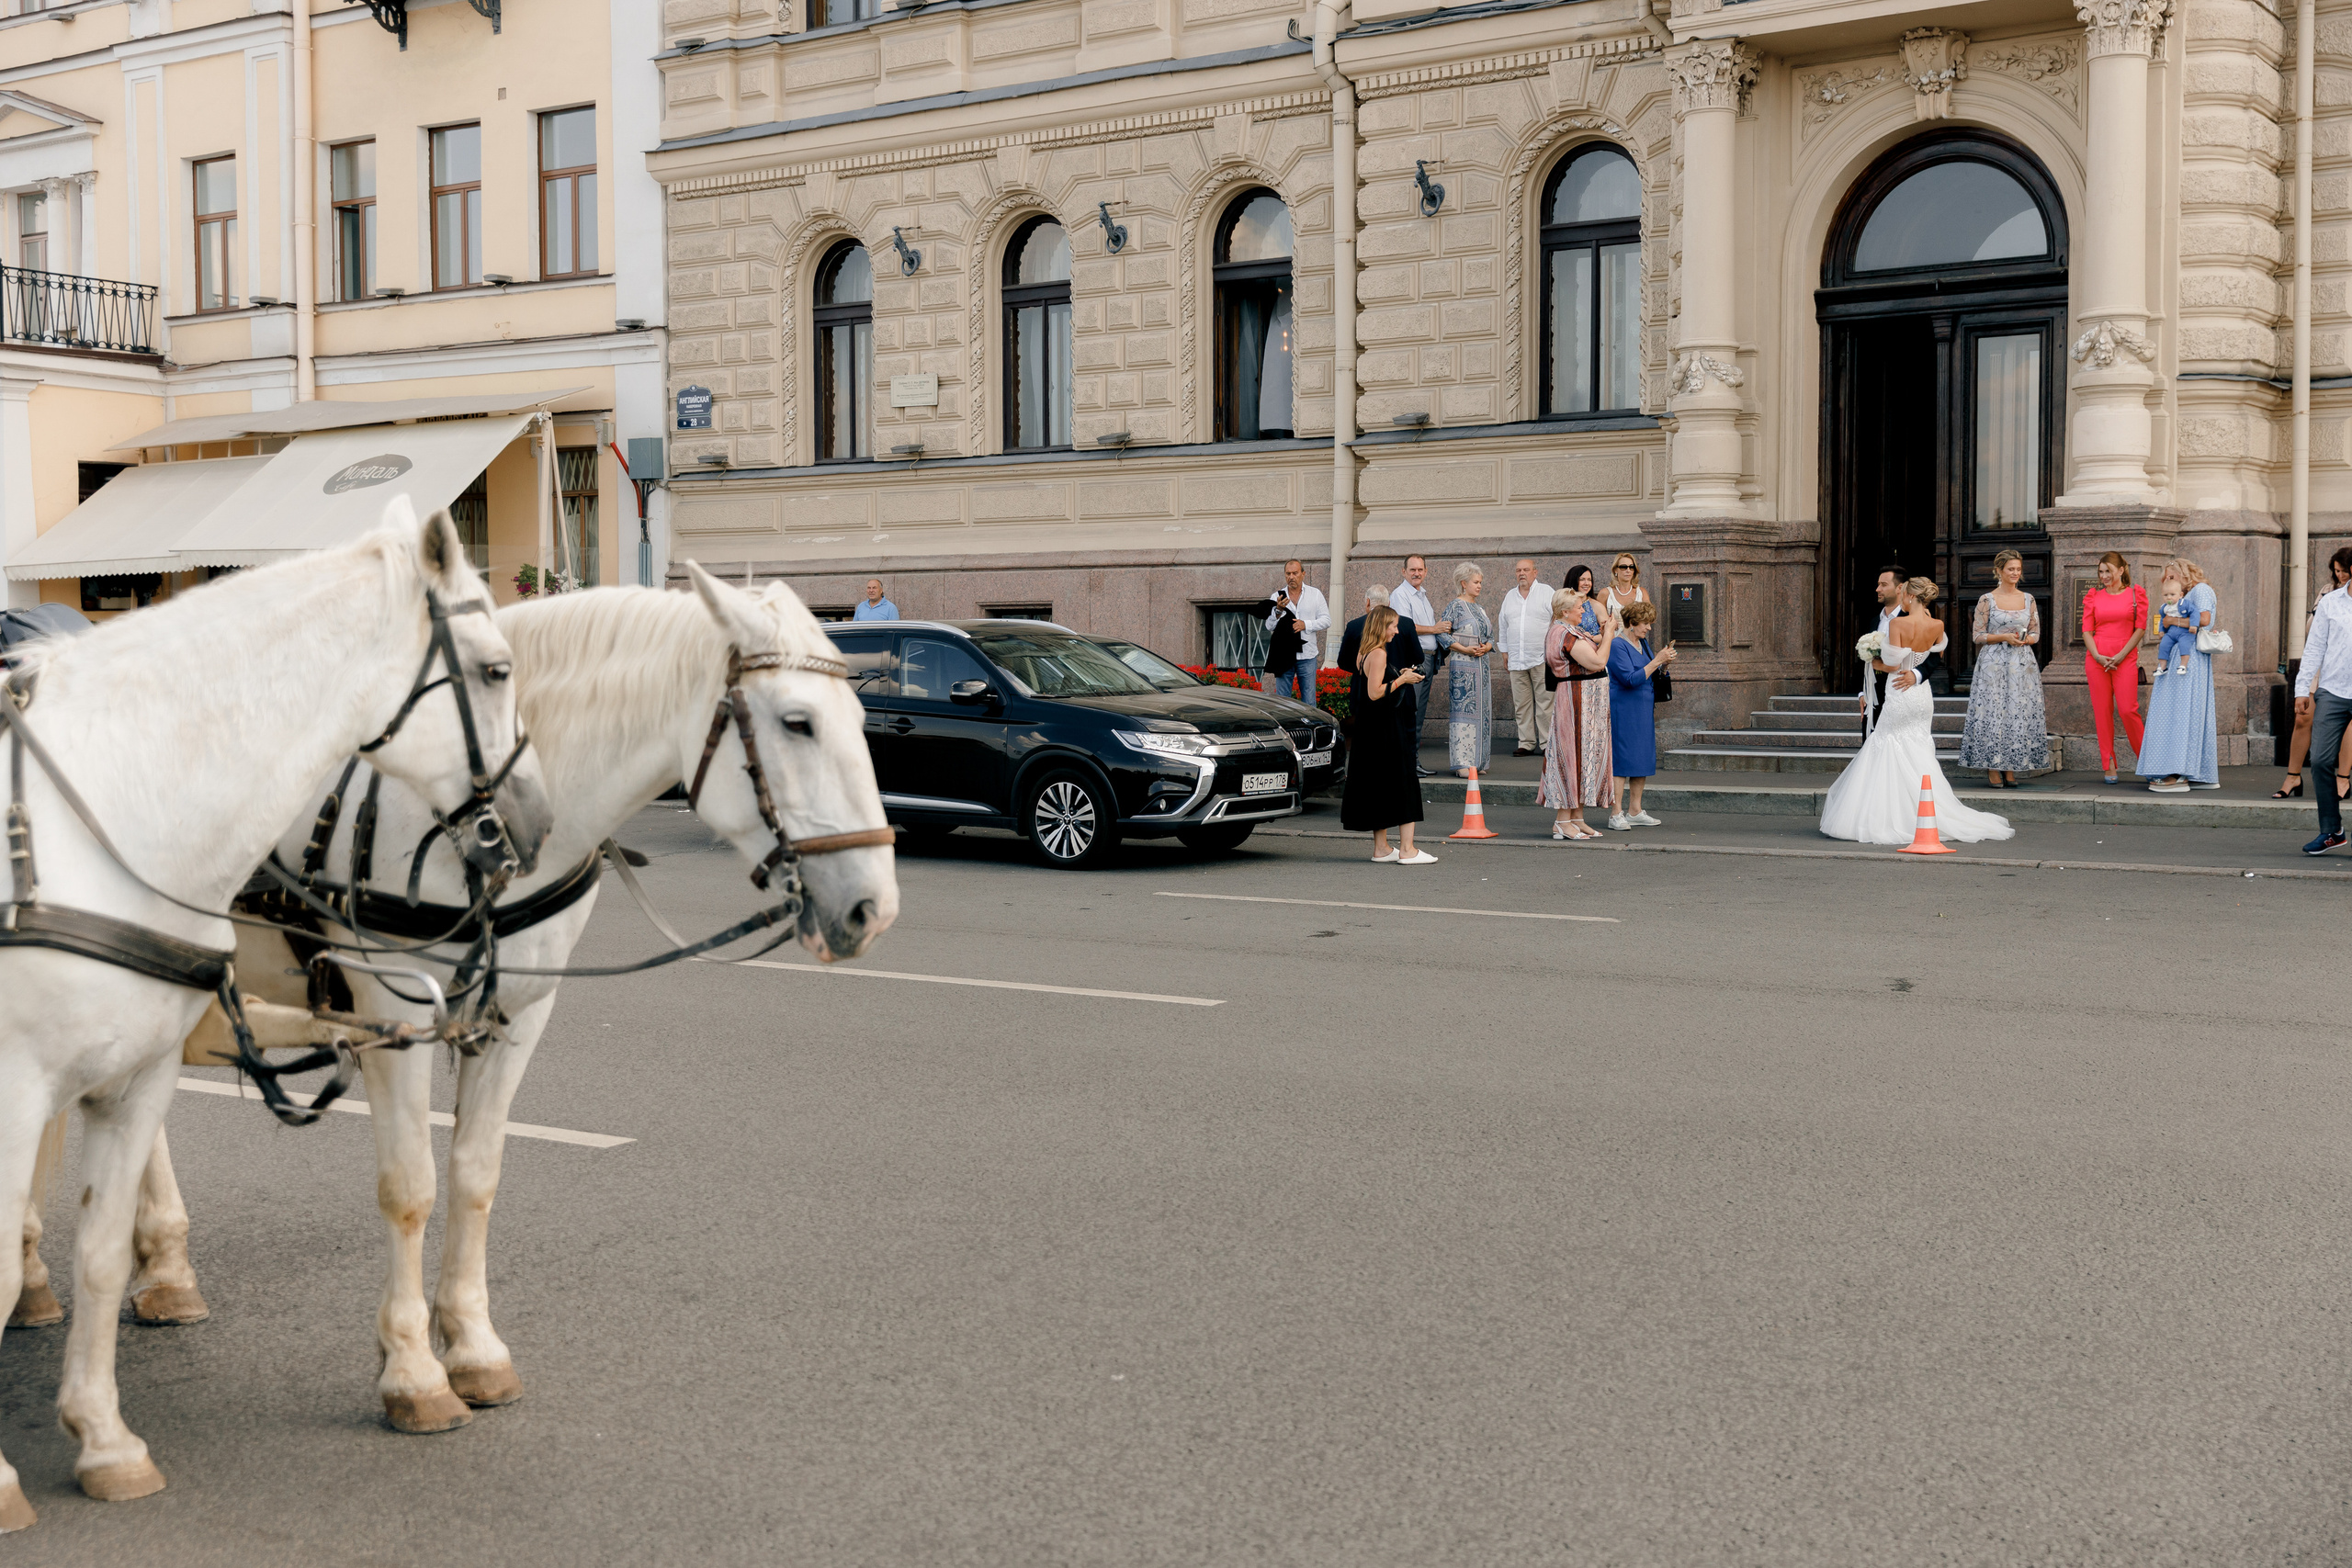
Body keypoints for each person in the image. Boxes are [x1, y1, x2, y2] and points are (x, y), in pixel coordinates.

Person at [1821, 578, 2013, 844]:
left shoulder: (1899, 624)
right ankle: (1924, 811)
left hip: (1899, 690)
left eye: (1904, 593)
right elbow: (1935, 655)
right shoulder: (1937, 625)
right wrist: (1915, 671)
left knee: (1887, 743)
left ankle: (1891, 815)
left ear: (1910, 596)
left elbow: (1891, 664)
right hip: (1921, 696)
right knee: (1918, 747)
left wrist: (1870, 659)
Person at [1341, 605, 1433, 863]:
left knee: (1378, 784)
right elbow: (1374, 692)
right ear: (1381, 626)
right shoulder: (1379, 652)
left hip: (1370, 729)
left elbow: (1374, 679)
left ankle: (1381, 848)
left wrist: (1399, 673)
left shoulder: (1364, 652)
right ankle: (1408, 850)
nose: (1396, 629)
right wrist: (1402, 681)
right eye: (1392, 625)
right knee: (1404, 780)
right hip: (1385, 727)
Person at [1958, 549, 2049, 788]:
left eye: (2018, 569)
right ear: (1999, 571)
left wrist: (2024, 639)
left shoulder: (2028, 598)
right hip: (1993, 663)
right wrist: (2004, 637)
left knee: (2016, 713)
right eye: (2011, 569)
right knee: (1994, 711)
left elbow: (2036, 633)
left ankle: (2011, 767)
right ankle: (1992, 766)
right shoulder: (1987, 600)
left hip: (2021, 664)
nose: (2015, 573)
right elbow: (1977, 635)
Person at [2136, 557, 2218, 794]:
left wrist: (2172, 620)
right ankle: (2198, 772)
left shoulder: (2200, 589)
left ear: (2185, 574)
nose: (2167, 580)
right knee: (2185, 711)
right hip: (2184, 655)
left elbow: (2204, 619)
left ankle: (2178, 773)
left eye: (2171, 575)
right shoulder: (2186, 595)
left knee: (2181, 711)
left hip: (2189, 657)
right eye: (2166, 577)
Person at [2275, 547, 2352, 798]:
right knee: (2302, 718)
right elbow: (2311, 631)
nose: (2339, 575)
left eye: (2343, 570)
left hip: (2341, 668)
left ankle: (2343, 778)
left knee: (2345, 725)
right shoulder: (2328, 594)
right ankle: (2293, 777)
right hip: (2321, 664)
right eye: (2336, 570)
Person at [1538, 584, 1612, 839]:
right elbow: (1598, 662)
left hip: (1585, 702)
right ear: (1565, 611)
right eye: (1579, 607)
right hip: (1575, 702)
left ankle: (1576, 817)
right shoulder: (1563, 633)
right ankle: (1562, 821)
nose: (1584, 610)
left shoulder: (1571, 630)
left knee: (1582, 756)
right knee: (1571, 756)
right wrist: (1610, 633)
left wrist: (1602, 635)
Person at [2298, 547, 2352, 852]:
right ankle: (2332, 830)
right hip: (2332, 689)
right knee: (2319, 759)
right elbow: (2314, 648)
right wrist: (2302, 690)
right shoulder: (2331, 603)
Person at [2081, 551, 2148, 784]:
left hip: (2125, 657)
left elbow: (2140, 629)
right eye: (2101, 572)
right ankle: (2108, 762)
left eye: (2108, 571)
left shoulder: (2135, 594)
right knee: (2102, 711)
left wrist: (2121, 654)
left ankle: (2147, 761)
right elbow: (2087, 631)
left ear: (2121, 570)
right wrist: (2097, 656)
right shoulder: (2093, 596)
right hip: (2097, 659)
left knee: (2128, 709)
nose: (2104, 576)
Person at [1606, 600, 1672, 829]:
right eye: (1646, 623)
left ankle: (1635, 810)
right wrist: (1657, 661)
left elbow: (1649, 674)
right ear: (1632, 623)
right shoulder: (1617, 645)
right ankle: (1616, 813)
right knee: (1622, 759)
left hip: (1643, 708)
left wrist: (1663, 666)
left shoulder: (1642, 643)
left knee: (1641, 757)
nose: (1649, 628)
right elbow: (1630, 679)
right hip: (1624, 709)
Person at [1389, 556, 1450, 773]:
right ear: (1403, 571)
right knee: (1412, 713)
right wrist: (1435, 629)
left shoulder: (1421, 595)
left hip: (1427, 657)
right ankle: (1409, 762)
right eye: (1412, 569)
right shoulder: (1400, 595)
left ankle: (1410, 760)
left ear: (1426, 571)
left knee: (1418, 711)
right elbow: (1404, 627)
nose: (1416, 573)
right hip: (1415, 660)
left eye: (1420, 569)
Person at [1438, 561, 1494, 778]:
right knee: (1463, 713)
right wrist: (1464, 648)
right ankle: (1462, 763)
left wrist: (1486, 647)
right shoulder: (1454, 606)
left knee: (1482, 713)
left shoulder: (1480, 609)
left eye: (1480, 582)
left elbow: (1490, 637)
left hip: (1482, 667)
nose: (1479, 586)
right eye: (1476, 582)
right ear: (1464, 583)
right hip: (1463, 669)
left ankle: (1478, 761)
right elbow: (1442, 633)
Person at [1496, 558, 1555, 758]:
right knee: (1521, 704)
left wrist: (1553, 651)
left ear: (1535, 572)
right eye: (1519, 570)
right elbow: (1503, 625)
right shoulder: (1510, 596)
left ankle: (1547, 744)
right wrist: (1504, 651)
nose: (1522, 573)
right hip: (1516, 658)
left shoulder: (1547, 592)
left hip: (1541, 657)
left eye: (1526, 570)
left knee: (1546, 704)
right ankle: (1526, 742)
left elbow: (1556, 622)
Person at [1261, 558, 1329, 705]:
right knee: (1282, 700)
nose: (1291, 577)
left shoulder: (1315, 594)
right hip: (1284, 655)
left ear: (1303, 574)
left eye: (1295, 573)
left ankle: (1311, 727)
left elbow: (1326, 620)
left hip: (1307, 655)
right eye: (1288, 573)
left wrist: (1306, 624)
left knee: (1309, 700)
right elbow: (1269, 626)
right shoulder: (1277, 596)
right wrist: (1278, 610)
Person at [2153, 564, 2199, 680]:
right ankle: (2162, 666)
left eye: (2172, 595)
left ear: (2180, 595)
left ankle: (2183, 665)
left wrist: (2193, 625)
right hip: (2171, 632)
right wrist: (2161, 630)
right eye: (2166, 595)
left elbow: (2195, 613)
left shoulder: (2184, 603)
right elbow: (2162, 619)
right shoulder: (2164, 608)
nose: (2169, 598)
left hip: (2185, 632)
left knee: (2185, 645)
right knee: (2163, 645)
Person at [1602, 553, 1647, 618]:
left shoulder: (1642, 593)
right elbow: (1598, 620)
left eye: (1631, 567)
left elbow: (1649, 618)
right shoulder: (1605, 593)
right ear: (1615, 570)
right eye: (1623, 567)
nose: (1628, 570)